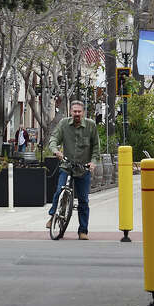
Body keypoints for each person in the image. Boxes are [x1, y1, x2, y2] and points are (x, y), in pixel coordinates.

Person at [47, 101, 100, 240]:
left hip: (83, 169)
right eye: (74, 111)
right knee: (59, 190)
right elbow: (53, 139)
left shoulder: (91, 126)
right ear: (71, 112)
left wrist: (93, 163)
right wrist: (55, 150)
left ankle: (83, 231)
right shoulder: (64, 124)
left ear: (83, 113)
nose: (77, 114)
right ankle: (53, 216)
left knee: (83, 200)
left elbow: (96, 148)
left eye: (79, 111)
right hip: (67, 165)